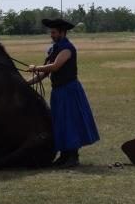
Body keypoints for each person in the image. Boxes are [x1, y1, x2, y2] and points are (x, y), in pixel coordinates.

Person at [26, 17, 100, 166]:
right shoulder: (54, 49)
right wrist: (26, 84)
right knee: (60, 123)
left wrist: (35, 67)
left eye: (54, 32)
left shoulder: (67, 48)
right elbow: (45, 74)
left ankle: (73, 157)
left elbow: (55, 66)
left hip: (69, 91)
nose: (51, 35)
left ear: (62, 33)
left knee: (70, 122)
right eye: (51, 32)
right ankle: (64, 155)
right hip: (58, 92)